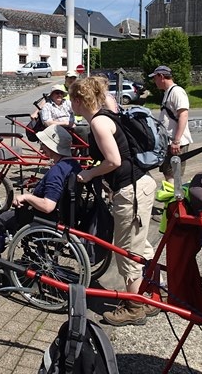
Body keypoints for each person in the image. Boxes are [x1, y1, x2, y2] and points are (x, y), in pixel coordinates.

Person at [69, 76, 158, 326]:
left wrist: (89, 173)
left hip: (131, 190)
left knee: (127, 251)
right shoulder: (107, 115)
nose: (70, 104)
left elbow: (114, 161)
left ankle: (134, 307)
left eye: (70, 99)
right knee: (139, 246)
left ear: (78, 101)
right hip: (138, 185)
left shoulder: (98, 123)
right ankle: (149, 295)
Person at [0, 124, 81, 276]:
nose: (41, 148)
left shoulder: (57, 171)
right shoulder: (73, 164)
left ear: (52, 146)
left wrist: (27, 196)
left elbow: (48, 205)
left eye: (43, 144)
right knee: (3, 221)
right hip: (62, 216)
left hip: (42, 217)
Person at [149, 65, 192, 181]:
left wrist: (176, 141)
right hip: (169, 142)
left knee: (173, 176)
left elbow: (183, 115)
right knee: (169, 175)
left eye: (155, 78)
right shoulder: (168, 92)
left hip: (177, 143)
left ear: (161, 76)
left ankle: (175, 198)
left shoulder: (177, 92)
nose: (154, 81)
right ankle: (172, 197)